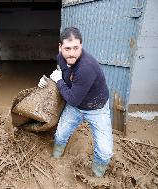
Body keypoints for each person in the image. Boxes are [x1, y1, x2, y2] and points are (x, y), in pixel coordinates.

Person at [38, 27, 113, 177]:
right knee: (60, 136)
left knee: (105, 152)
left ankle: (97, 177)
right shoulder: (61, 57)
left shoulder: (86, 67)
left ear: (81, 46)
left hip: (96, 107)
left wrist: (58, 80)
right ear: (60, 47)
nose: (71, 53)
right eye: (67, 48)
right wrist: (48, 82)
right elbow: (63, 78)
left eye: (76, 48)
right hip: (76, 106)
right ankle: (56, 158)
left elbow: (71, 98)